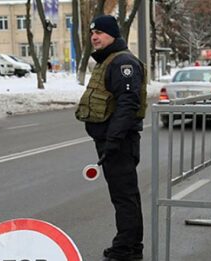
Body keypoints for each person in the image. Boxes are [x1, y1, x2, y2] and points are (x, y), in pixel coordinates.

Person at [75, 15, 147, 261]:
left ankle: (125, 249)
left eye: (100, 32)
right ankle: (131, 246)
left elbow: (128, 103)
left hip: (119, 142)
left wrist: (113, 141)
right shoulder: (108, 61)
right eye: (92, 32)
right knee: (125, 196)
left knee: (124, 197)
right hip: (113, 140)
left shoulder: (122, 62)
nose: (94, 37)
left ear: (113, 35)